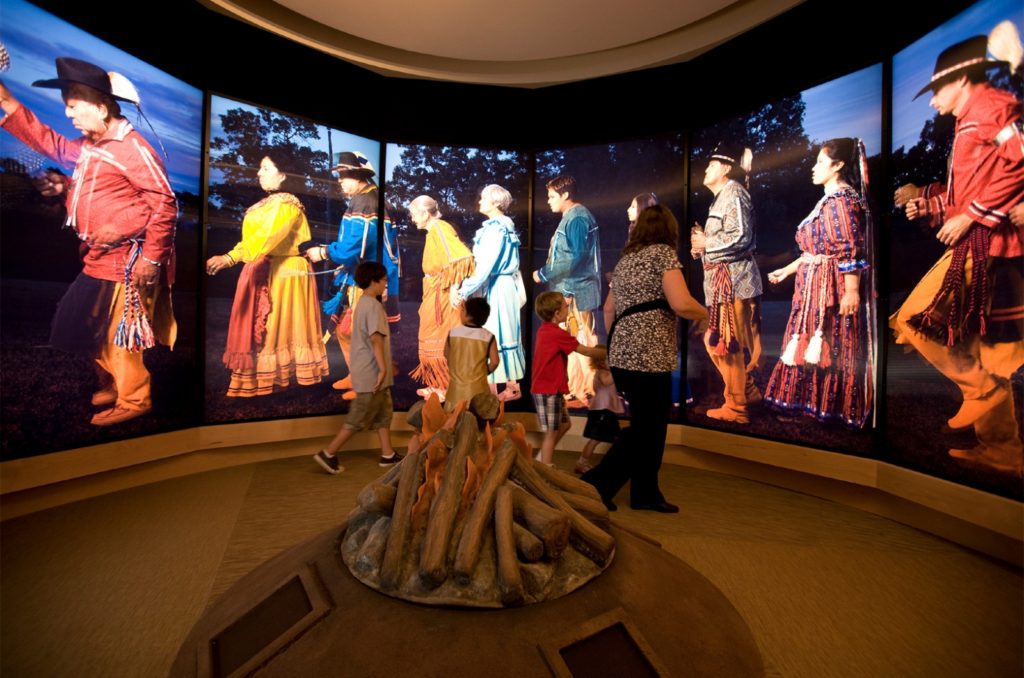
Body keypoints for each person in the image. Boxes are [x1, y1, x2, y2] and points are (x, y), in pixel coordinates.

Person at [0, 58, 176, 426]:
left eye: (73, 105)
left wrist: (150, 259)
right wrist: (65, 186)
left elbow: (164, 204)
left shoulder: (132, 148)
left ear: (101, 106)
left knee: (115, 335)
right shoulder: (92, 145)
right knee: (81, 324)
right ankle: (112, 384)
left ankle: (135, 399)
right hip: (96, 257)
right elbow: (47, 141)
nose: (68, 114)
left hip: (126, 262)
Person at [892, 32, 1024, 474]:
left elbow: (1021, 159)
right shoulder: (973, 117)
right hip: (984, 243)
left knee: (914, 319)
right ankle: (1003, 451)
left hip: (987, 245)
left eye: (937, 90)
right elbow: (974, 188)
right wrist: (931, 207)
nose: (932, 101)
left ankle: (981, 391)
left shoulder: (991, 107)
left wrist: (972, 216)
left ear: (962, 80)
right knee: (984, 349)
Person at [581, 205, 708, 512]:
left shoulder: (626, 260)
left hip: (623, 354)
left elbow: (609, 309)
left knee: (646, 425)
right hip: (650, 357)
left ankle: (645, 492)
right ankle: (596, 486)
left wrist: (620, 342)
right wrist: (706, 314)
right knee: (648, 428)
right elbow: (681, 303)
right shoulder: (663, 255)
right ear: (669, 229)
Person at [763, 139, 874, 427]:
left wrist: (851, 290)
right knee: (808, 336)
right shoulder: (829, 200)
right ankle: (807, 404)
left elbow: (849, 248)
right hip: (814, 284)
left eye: (820, 162)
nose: (814, 168)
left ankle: (821, 407)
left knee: (826, 339)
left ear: (838, 165)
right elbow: (814, 252)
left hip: (829, 288)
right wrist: (786, 271)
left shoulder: (841, 201)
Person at [206, 155, 329, 396]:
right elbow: (253, 240)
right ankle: (266, 378)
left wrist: (231, 257)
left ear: (283, 175)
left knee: (276, 326)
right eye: (259, 168)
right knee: (267, 326)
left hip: (286, 272)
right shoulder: (266, 204)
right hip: (269, 267)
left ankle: (280, 379)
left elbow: (266, 237)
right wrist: (232, 256)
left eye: (265, 168)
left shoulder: (287, 205)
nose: (259, 173)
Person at [307, 151, 400, 400]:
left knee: (361, 332)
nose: (340, 181)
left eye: (344, 175)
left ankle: (367, 384)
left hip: (369, 279)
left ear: (359, 176)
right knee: (346, 329)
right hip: (361, 275)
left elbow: (353, 247)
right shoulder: (366, 198)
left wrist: (324, 252)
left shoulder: (367, 202)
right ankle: (358, 374)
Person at [691, 143, 762, 424]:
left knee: (727, 344)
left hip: (734, 282)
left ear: (725, 168)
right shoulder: (722, 197)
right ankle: (747, 391)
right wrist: (702, 247)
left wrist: (707, 243)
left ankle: (736, 407)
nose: (706, 170)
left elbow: (741, 236)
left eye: (711, 165)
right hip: (724, 284)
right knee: (717, 342)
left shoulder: (734, 193)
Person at [313, 262, 401, 475]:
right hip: (372, 373)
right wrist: (383, 369)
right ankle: (328, 453)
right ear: (373, 281)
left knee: (383, 412)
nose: (386, 285)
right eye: (384, 280)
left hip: (372, 371)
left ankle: (387, 454)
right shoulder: (373, 306)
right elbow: (376, 339)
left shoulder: (362, 302)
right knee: (358, 416)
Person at [452, 184, 526, 401]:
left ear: (495, 202)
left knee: (496, 332)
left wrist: (464, 290)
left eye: (483, 198)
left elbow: (485, 265)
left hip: (498, 287)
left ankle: (500, 390)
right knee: (502, 332)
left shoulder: (496, 229)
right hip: (500, 286)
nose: (480, 202)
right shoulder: (501, 226)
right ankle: (504, 387)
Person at [535, 175, 602, 406]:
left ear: (565, 195)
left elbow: (576, 257)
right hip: (570, 291)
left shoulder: (577, 218)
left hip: (576, 292)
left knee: (582, 338)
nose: (549, 201)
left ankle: (591, 391)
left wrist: (543, 273)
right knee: (572, 341)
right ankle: (576, 390)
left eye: (552, 196)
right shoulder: (572, 217)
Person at [407, 195, 474, 401]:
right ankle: (438, 384)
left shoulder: (440, 228)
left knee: (441, 337)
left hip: (442, 295)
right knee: (432, 335)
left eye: (414, 214)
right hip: (434, 291)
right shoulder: (434, 231)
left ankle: (446, 387)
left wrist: (454, 287)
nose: (412, 219)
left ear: (425, 213)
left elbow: (462, 257)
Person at [531, 292, 607, 466]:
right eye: (566, 307)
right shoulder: (557, 333)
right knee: (551, 432)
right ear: (557, 313)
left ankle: (541, 459)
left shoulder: (544, 329)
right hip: (548, 389)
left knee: (564, 424)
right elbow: (585, 351)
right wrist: (610, 352)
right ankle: (545, 468)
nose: (569, 309)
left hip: (551, 388)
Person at [576, 347, 624, 474]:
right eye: (610, 360)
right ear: (601, 362)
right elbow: (606, 382)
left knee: (617, 437)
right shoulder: (602, 373)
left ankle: (617, 462)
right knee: (595, 438)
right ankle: (581, 463)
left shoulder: (606, 373)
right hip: (601, 411)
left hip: (607, 410)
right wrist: (616, 370)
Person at [444, 297, 499, 407]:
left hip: (455, 393)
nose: (460, 313)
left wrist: (455, 369)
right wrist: (485, 371)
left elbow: (446, 354)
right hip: (479, 393)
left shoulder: (453, 333)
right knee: (478, 416)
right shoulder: (489, 336)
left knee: (454, 416)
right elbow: (495, 362)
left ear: (468, 315)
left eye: (463, 310)